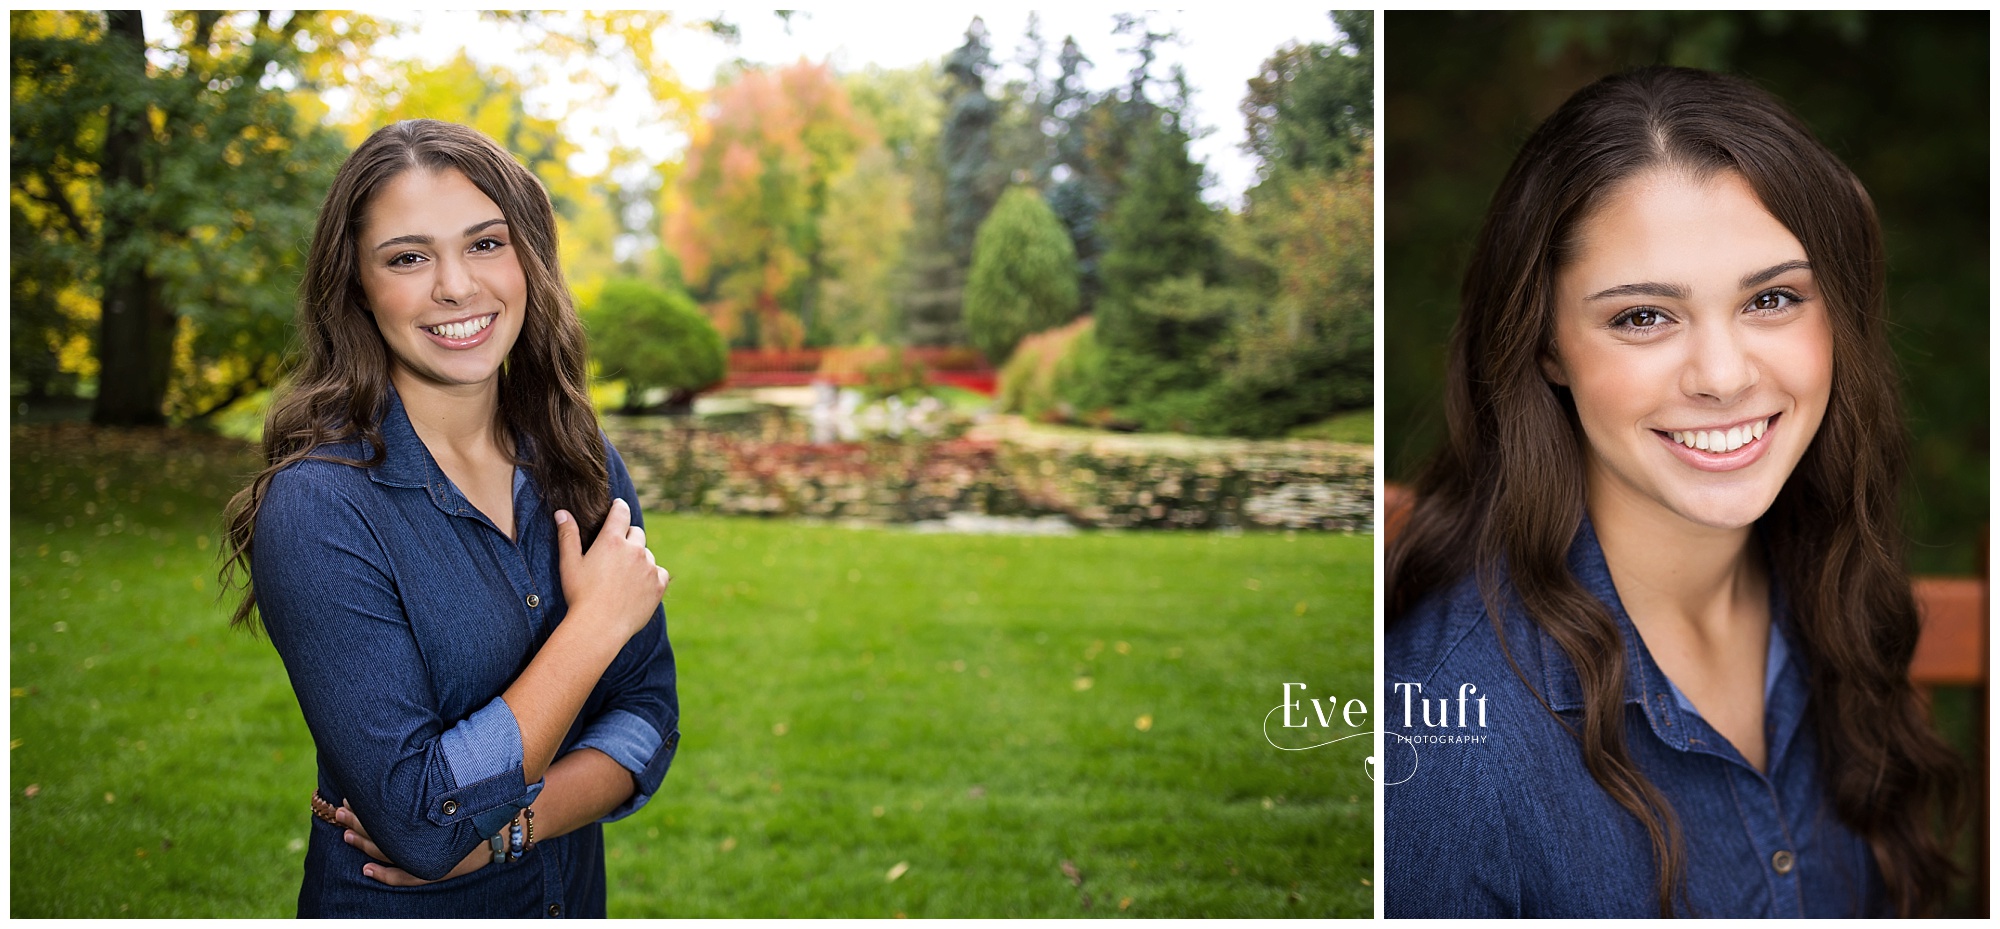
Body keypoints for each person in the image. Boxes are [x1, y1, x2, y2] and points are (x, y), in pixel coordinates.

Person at [1382, 67, 1965, 918]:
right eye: (1643, 317)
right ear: (1545, 343)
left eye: (1772, 298)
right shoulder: (1449, 742)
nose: (1724, 377)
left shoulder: (1833, 589)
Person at [220, 119, 679, 917]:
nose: (457, 286)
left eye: (486, 244)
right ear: (356, 285)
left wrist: (504, 828)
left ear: (528, 258)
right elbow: (420, 823)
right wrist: (595, 624)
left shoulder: (580, 458)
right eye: (408, 257)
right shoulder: (319, 506)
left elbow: (647, 719)